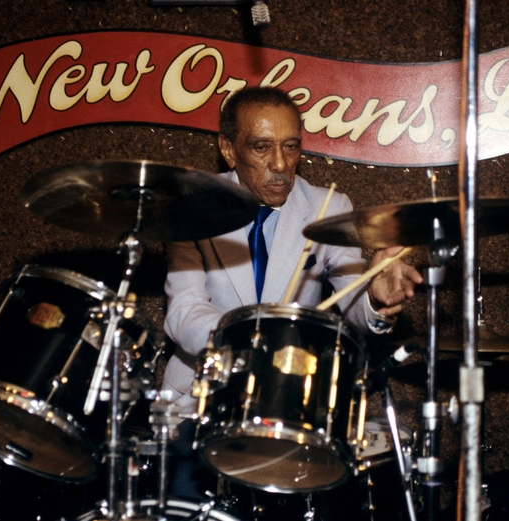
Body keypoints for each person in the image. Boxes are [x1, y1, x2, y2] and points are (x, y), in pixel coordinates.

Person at [159, 86, 423, 499]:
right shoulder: (192, 205)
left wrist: (374, 299)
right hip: (199, 395)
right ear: (228, 150)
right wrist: (252, 343)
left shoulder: (329, 206)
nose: (281, 164)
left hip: (291, 402)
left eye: (291, 146)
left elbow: (349, 302)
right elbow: (183, 311)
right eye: (262, 148)